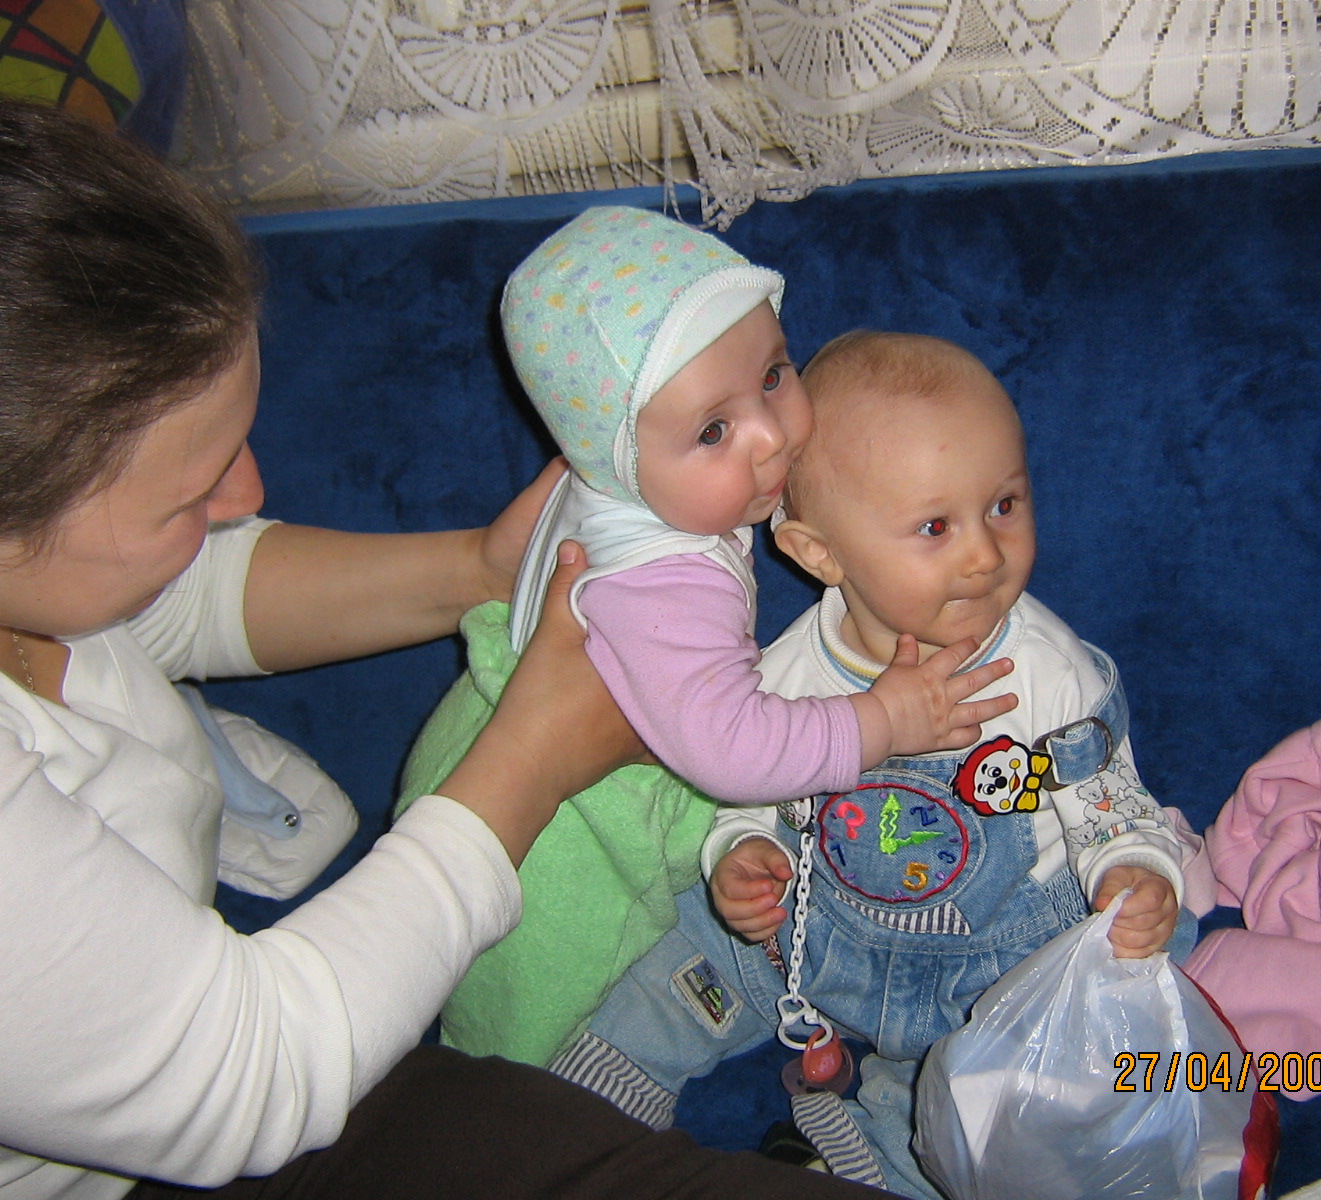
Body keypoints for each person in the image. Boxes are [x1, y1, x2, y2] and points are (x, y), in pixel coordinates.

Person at [0, 97, 894, 1200]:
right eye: (189, 495)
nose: (248, 495)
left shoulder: (52, 583)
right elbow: (248, 1081)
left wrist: (479, 567)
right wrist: (532, 756)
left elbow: (173, 598)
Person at [548, 332, 1198, 1198]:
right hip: (816, 926)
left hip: (993, 960)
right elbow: (751, 786)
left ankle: (879, 1150)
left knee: (1008, 1088)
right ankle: (577, 1105)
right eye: (936, 527)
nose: (984, 554)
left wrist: (1131, 867)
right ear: (820, 554)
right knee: (693, 953)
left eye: (1004, 505)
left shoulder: (1047, 672)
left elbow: (1110, 799)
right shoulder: (787, 672)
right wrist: (745, 853)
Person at [499, 207, 1017, 809]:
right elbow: (732, 754)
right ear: (621, 462)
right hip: (572, 830)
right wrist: (883, 720)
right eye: (713, 431)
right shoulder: (662, 584)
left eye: (772, 377)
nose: (771, 437)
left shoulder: (615, 491)